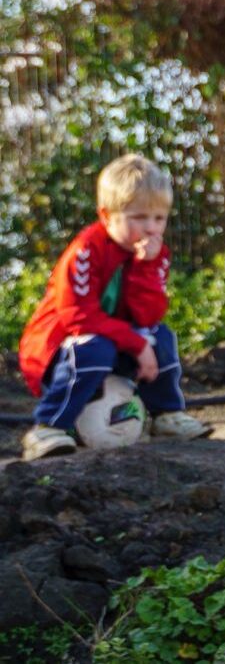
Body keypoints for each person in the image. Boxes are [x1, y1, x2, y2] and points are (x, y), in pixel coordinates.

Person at [18, 154, 212, 461]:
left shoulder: (156, 254)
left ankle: (166, 415)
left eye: (159, 218)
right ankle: (48, 427)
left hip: (112, 343)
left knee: (160, 336)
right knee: (96, 348)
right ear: (107, 215)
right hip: (60, 350)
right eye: (138, 217)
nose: (150, 228)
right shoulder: (84, 251)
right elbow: (77, 316)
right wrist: (135, 344)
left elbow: (148, 316)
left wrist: (144, 268)